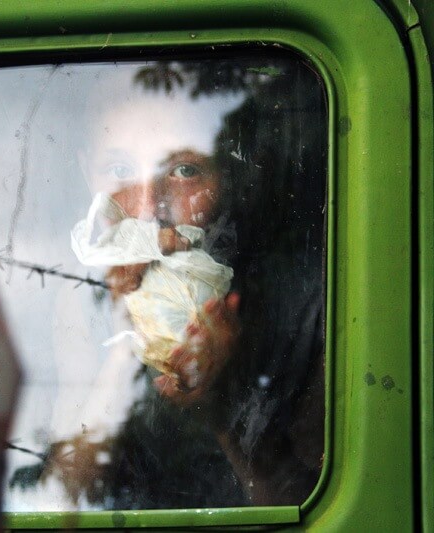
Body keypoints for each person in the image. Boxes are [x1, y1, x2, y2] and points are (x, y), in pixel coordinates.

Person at [43, 59, 326, 508]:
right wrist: (124, 343)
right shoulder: (82, 304)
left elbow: (315, 506)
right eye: (119, 168)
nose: (146, 208)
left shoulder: (299, 302)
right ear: (85, 173)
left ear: (230, 175)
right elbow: (67, 493)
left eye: (185, 171)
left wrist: (225, 398)